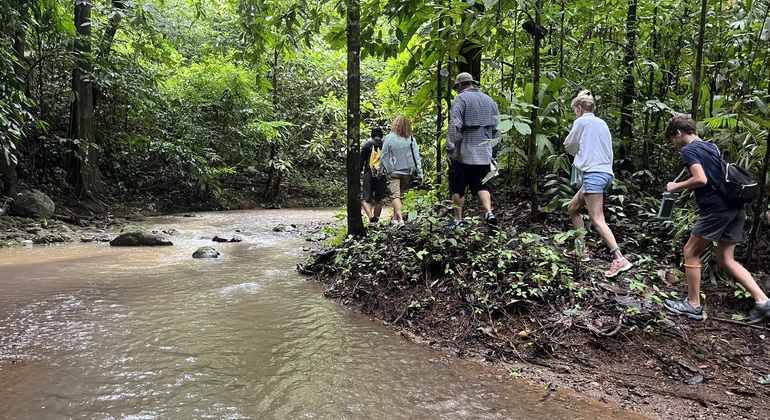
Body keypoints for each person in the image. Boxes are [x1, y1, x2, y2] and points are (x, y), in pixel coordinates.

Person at [662, 115, 770, 323]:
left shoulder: (689, 149)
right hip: (735, 207)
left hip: (716, 209)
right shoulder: (709, 146)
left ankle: (693, 305)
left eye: (673, 140)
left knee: (690, 251)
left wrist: (676, 186)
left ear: (678, 133)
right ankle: (763, 301)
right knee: (726, 259)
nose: (675, 145)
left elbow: (701, 179)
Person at [563, 90, 632, 278]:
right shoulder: (602, 123)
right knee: (573, 207)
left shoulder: (581, 122)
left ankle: (619, 258)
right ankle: (580, 249)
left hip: (593, 174)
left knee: (597, 219)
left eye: (574, 110)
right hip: (604, 173)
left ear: (579, 108)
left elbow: (569, 146)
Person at [446, 72, 500, 230]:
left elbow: (455, 124)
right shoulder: (489, 100)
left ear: (460, 85)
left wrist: (451, 149)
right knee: (482, 186)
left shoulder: (461, 99)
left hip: (463, 153)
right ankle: (489, 212)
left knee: (458, 187)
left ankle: (458, 221)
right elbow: (497, 128)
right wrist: (494, 150)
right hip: (484, 153)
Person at [377, 115, 423, 226]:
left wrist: (380, 170)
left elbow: (383, 155)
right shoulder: (411, 139)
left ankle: (401, 220)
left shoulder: (390, 138)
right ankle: (395, 219)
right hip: (406, 172)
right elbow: (416, 157)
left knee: (395, 196)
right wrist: (420, 173)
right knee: (398, 195)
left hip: (393, 171)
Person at [360, 126, 387, 222]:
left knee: (366, 199)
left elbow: (361, 161)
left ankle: (371, 217)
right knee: (378, 200)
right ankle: (376, 220)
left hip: (369, 174)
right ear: (381, 134)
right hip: (382, 175)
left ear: (372, 134)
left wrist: (359, 172)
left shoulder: (367, 145)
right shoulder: (385, 145)